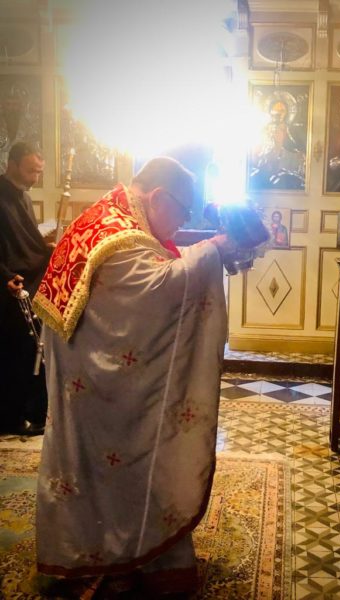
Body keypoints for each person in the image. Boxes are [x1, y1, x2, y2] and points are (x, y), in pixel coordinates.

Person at [32, 157, 242, 597]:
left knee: (93, 469)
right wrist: (213, 251)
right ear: (159, 197)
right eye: (183, 211)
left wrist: (206, 252)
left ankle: (96, 550)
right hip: (100, 386)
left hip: (83, 378)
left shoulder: (105, 216)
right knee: (128, 459)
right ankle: (124, 553)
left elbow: (150, 268)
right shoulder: (120, 233)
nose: (182, 222)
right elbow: (153, 292)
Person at [0, 141, 50, 436]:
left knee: (32, 348)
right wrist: (4, 275)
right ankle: (10, 416)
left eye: (39, 172)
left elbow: (27, 242)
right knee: (13, 352)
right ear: (13, 164)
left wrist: (46, 249)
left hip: (26, 281)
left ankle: (30, 410)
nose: (35, 178)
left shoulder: (25, 198)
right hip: (6, 286)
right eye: (31, 171)